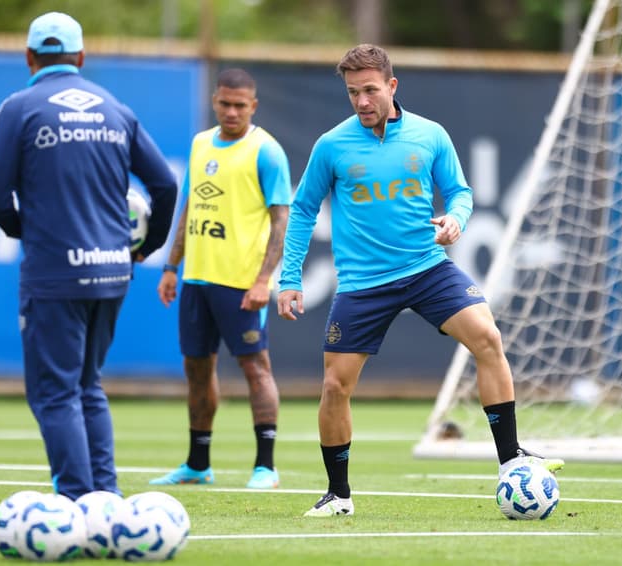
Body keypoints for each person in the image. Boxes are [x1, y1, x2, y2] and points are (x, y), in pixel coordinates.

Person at [277, 44, 564, 517]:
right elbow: (304, 209)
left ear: (392, 86)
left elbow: (460, 192)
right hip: (362, 284)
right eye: (353, 93)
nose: (362, 101)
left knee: (488, 338)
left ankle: (510, 460)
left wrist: (456, 218)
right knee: (334, 387)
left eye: (370, 90)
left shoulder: (430, 135)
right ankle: (339, 495)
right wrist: (289, 278)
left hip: (426, 269)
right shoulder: (332, 145)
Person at [0, 12, 177, 500]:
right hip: (112, 271)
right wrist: (143, 248)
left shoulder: (19, 107)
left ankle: (74, 503)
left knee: (55, 392)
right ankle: (104, 501)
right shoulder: (115, 109)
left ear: (29, 57)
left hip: (55, 273)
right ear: (81, 57)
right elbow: (166, 185)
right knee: (87, 387)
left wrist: (30, 233)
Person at [149, 68, 291, 490]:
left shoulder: (266, 151)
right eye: (225, 103)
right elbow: (192, 206)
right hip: (196, 280)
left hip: (241, 283)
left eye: (240, 105)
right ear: (215, 101)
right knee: (196, 368)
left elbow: (280, 220)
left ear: (254, 106)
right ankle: (197, 463)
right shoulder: (199, 144)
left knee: (255, 368)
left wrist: (264, 280)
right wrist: (172, 267)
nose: (232, 111)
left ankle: (265, 466)